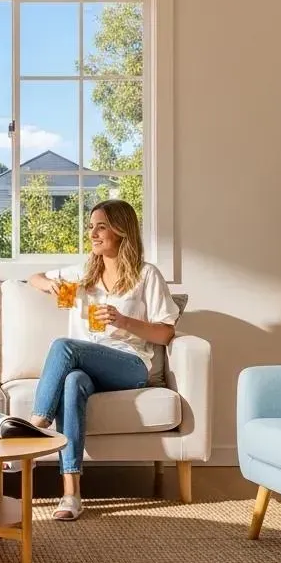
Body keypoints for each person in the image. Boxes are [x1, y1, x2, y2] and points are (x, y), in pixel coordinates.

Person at [26, 199, 179, 521]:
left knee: (64, 346)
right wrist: (50, 284)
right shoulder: (84, 272)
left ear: (122, 231)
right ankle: (71, 494)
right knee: (72, 381)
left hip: (130, 364)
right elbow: (34, 277)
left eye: (101, 226)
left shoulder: (146, 275)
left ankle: (32, 429)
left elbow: (165, 333)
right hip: (88, 364)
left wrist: (124, 321)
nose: (93, 233)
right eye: (91, 226)